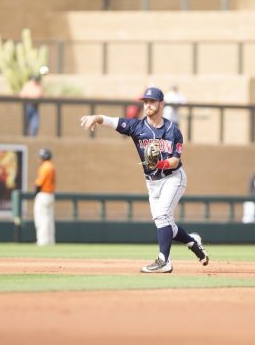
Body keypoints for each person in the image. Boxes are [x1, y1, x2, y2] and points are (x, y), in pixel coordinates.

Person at [80, 86, 209, 273]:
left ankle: (164, 261)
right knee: (165, 224)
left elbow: (175, 160)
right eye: (146, 101)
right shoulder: (137, 127)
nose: (148, 105)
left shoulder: (173, 130)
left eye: (152, 101)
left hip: (173, 177)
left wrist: (160, 164)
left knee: (162, 216)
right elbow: (111, 121)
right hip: (152, 182)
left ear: (161, 104)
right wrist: (96, 118)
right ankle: (193, 242)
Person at [34, 148, 56, 246]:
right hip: (50, 194)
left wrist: (36, 193)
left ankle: (43, 241)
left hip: (43, 194)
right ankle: (50, 241)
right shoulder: (52, 166)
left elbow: (39, 183)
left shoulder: (45, 167)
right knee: (49, 219)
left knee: (41, 219)